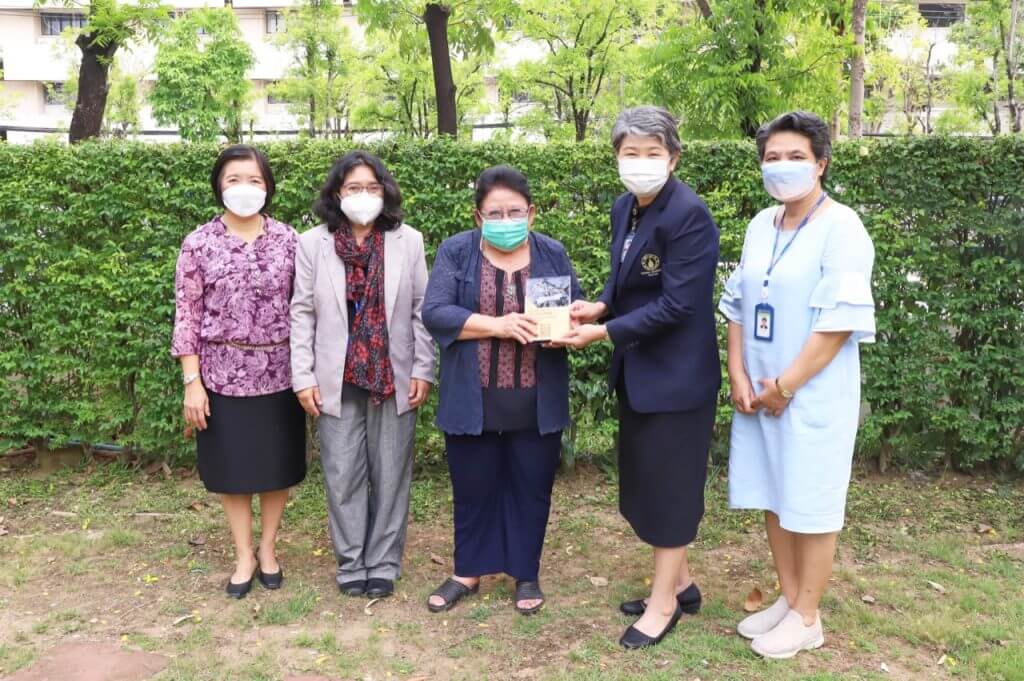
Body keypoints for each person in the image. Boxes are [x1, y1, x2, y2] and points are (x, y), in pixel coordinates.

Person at [719, 111, 876, 659]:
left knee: (810, 500)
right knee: (773, 491)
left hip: (811, 394)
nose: (782, 166)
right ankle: (788, 599)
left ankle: (808, 616)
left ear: (821, 164)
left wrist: (784, 387)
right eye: (772, 157)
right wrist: (738, 373)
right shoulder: (761, 224)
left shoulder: (842, 227)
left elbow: (838, 323)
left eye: (795, 157)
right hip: (760, 391)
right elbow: (738, 302)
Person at [563, 106, 720, 649]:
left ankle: (663, 605)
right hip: (639, 372)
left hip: (677, 378)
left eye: (653, 152)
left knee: (670, 490)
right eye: (631, 152)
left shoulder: (689, 215)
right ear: (617, 157)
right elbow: (626, 279)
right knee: (649, 482)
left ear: (673, 158)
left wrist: (603, 332)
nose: (641, 162)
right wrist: (600, 305)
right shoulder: (624, 207)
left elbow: (678, 305)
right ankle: (683, 584)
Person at [422, 165, 582, 616]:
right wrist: (499, 325)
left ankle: (524, 572)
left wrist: (567, 328)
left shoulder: (551, 253)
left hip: (535, 398)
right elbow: (435, 312)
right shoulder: (457, 252)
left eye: (515, 211)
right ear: (479, 217)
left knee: (531, 487)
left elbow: (573, 308)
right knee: (473, 486)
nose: (505, 220)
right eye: (495, 213)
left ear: (531, 213)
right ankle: (467, 572)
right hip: (473, 398)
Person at [290, 151, 434, 600]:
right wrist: (303, 375)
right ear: (337, 193)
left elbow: (421, 310)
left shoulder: (408, 241)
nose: (364, 195)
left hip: (394, 373)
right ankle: (352, 561)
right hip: (334, 377)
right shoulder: (312, 243)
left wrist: (423, 368)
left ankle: (384, 563)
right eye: (354, 188)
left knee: (391, 474)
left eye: (372, 187)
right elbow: (302, 312)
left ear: (385, 192)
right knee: (341, 473)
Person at [172, 144, 306, 599]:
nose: (244, 188)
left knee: (276, 465)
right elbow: (187, 315)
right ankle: (243, 553)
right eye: (233, 179)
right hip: (221, 375)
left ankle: (268, 547)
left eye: (254, 179)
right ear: (218, 186)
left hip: (281, 372)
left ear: (267, 186)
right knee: (232, 469)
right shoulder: (199, 243)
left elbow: (306, 308)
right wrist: (192, 382)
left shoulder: (290, 240)